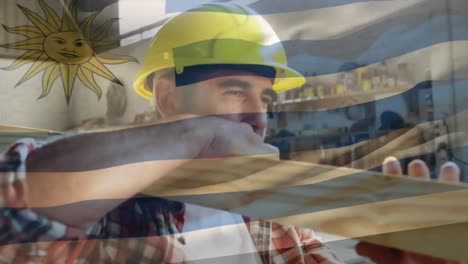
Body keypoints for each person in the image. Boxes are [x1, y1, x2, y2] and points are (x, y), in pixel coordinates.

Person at [0, 3, 461, 264]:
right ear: (167, 96)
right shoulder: (120, 208)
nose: (258, 117)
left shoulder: (273, 213)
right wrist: (197, 137)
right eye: (235, 91)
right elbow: (14, 210)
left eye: (265, 99)